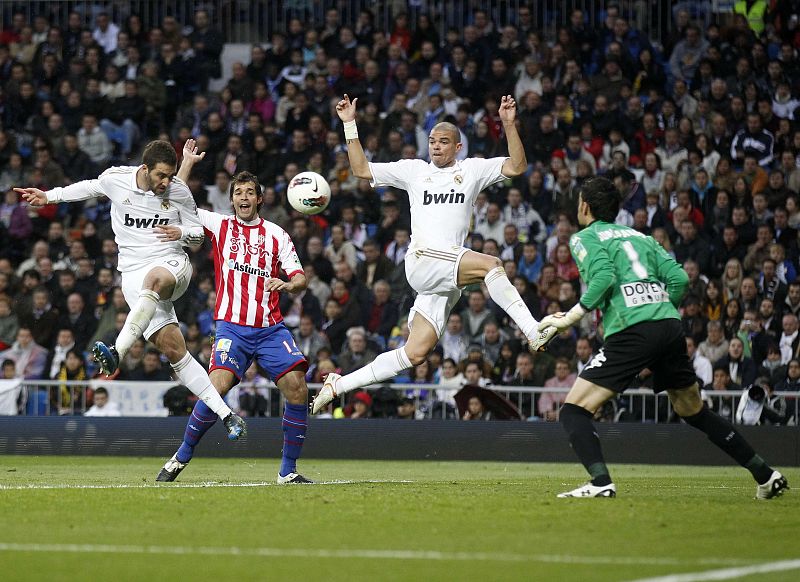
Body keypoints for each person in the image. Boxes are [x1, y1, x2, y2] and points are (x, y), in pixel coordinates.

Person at [537, 176, 788, 499]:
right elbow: (680, 279)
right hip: (669, 325)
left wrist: (567, 319)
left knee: (573, 411)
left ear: (584, 206)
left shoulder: (585, 237)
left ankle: (600, 483)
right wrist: (659, 309)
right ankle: (765, 475)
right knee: (693, 410)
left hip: (632, 329)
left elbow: (603, 277)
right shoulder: (642, 238)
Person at [312, 93, 555, 413]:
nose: (436, 146)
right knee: (492, 264)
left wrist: (509, 125)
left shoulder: (472, 170)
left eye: (443, 141)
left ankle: (338, 384)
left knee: (415, 353)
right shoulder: (415, 171)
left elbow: (517, 166)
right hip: (424, 259)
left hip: (448, 275)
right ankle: (531, 329)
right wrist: (349, 125)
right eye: (432, 140)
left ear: (458, 147)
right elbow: (360, 169)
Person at [15, 140, 246, 440]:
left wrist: (182, 233)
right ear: (145, 169)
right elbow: (88, 187)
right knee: (176, 351)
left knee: (155, 279)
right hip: (132, 275)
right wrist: (48, 196)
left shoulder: (178, 190)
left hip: (172, 263)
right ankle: (227, 415)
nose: (167, 182)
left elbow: (199, 236)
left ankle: (117, 351)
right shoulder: (117, 180)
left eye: (172, 175)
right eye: (162, 175)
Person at [155, 142, 312, 484]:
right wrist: (186, 164)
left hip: (271, 329)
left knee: (298, 389)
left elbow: (300, 278)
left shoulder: (277, 235)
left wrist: (287, 286)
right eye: (237, 192)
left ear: (259, 199)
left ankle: (288, 471)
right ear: (232, 199)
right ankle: (180, 457)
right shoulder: (219, 224)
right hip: (232, 329)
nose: (243, 197)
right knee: (215, 388)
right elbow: (175, 200)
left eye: (249, 192)